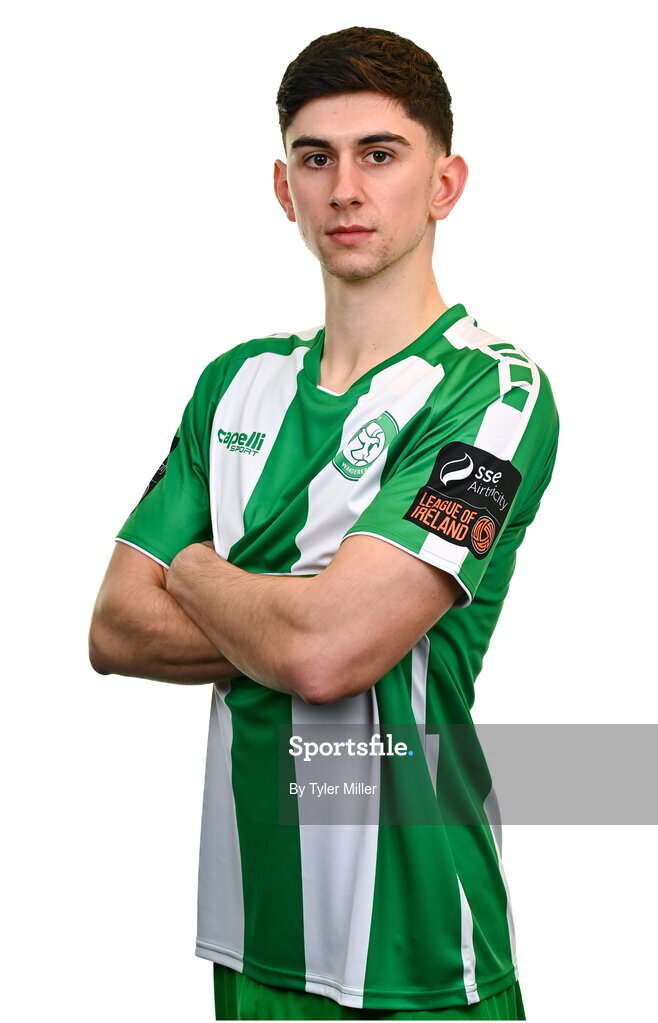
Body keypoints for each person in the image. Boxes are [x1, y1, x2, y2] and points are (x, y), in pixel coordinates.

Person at [89, 25, 558, 1021]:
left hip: (422, 954)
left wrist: (195, 567)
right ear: (284, 188)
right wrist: (303, 609)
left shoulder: (494, 395)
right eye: (316, 158)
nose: (345, 189)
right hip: (254, 937)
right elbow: (114, 627)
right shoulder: (234, 384)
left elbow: (325, 654)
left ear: (444, 183)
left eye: (379, 155)